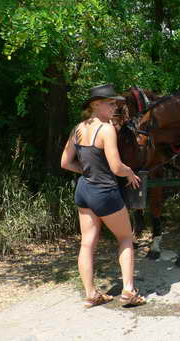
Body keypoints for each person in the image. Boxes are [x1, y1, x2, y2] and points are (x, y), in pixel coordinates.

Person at [60, 83, 146, 308]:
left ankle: (91, 293)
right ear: (95, 105)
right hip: (104, 192)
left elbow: (65, 162)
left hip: (84, 190)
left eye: (116, 103)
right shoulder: (106, 129)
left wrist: (88, 171)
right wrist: (129, 173)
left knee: (87, 243)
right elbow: (117, 167)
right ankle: (128, 291)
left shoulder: (77, 128)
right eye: (110, 103)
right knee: (126, 238)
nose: (115, 107)